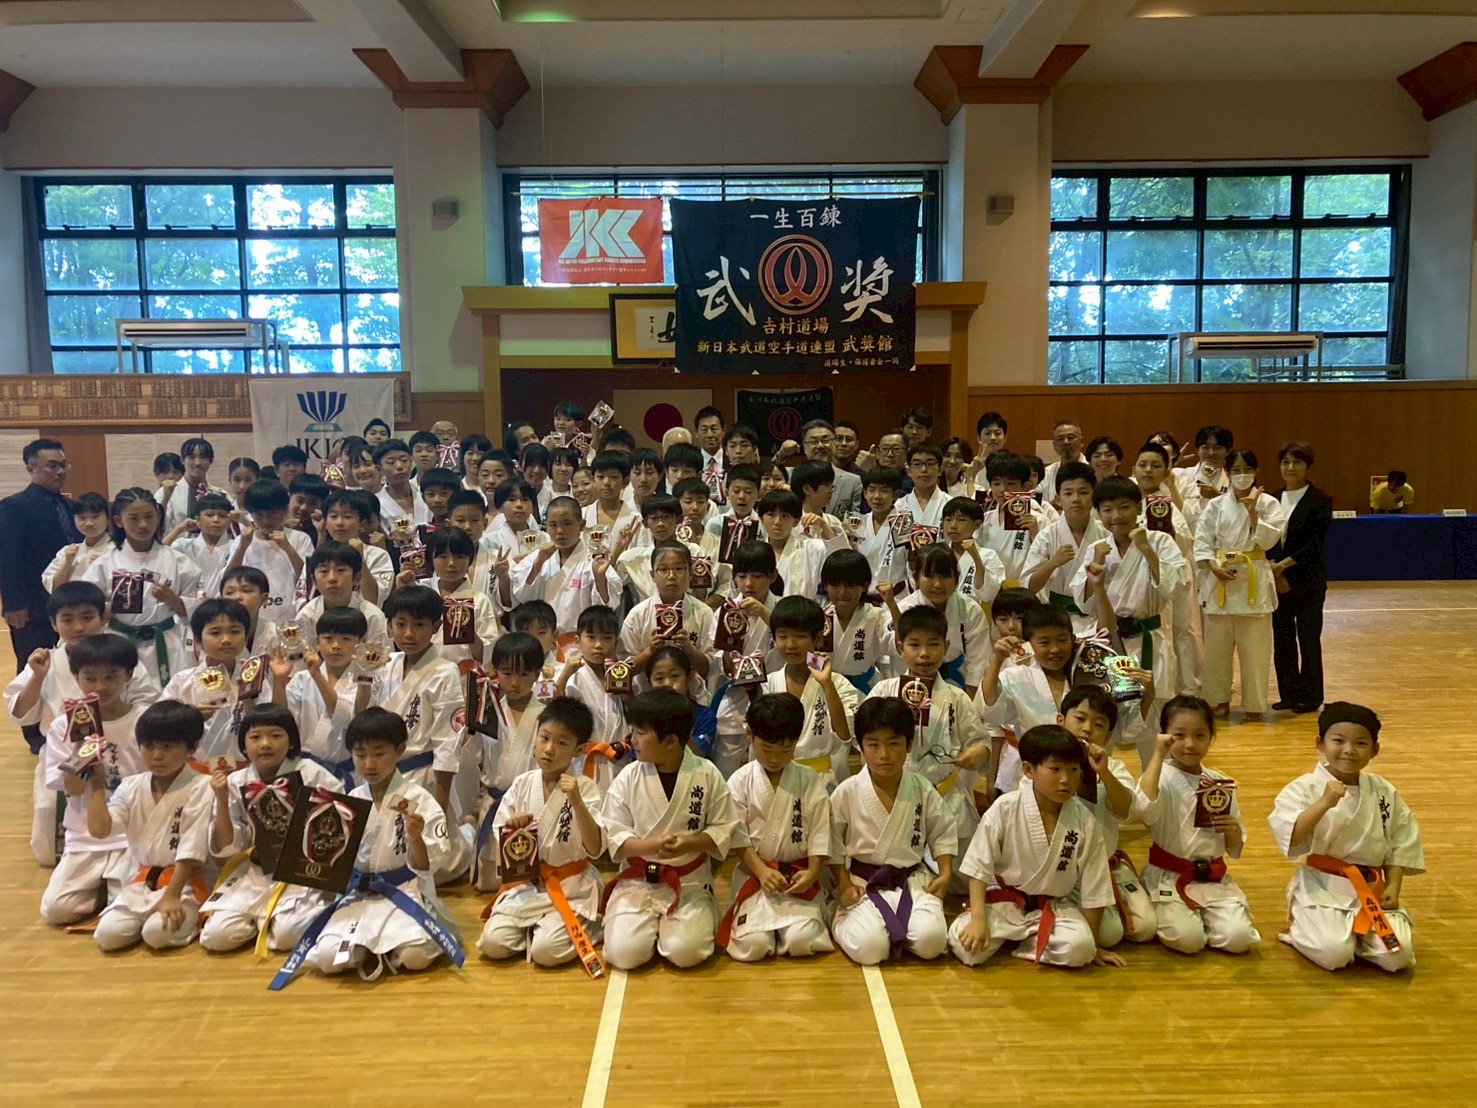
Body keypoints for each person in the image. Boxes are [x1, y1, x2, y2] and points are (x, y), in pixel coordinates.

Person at [278, 707, 462, 986]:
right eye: (360, 754)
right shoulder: (350, 800)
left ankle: (385, 949)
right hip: (361, 893)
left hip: (406, 891)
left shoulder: (420, 799)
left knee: (414, 957)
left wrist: (415, 839)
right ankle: (371, 948)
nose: (369, 764)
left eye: (379, 753)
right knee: (329, 959)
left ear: (400, 750)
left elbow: (429, 865)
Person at [948, 724, 1121, 969]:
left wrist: (1093, 945)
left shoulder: (1084, 821)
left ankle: (1022, 939)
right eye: (1055, 769)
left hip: (1054, 906)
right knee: (964, 946)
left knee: (1081, 949)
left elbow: (1095, 886)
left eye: (1074, 770)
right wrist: (977, 919)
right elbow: (978, 868)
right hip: (1006, 903)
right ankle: (1030, 938)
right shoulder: (1005, 808)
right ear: (1028, 770)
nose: (1066, 779)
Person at [1267, 702, 1421, 973]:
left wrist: (1393, 886)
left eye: (1360, 743)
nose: (1349, 750)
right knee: (1334, 955)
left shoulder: (1383, 790)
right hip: (1324, 886)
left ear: (1374, 749)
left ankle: (1356, 939)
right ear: (1320, 743)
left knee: (1398, 957)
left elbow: (1401, 840)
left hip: (1371, 888)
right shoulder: (1304, 788)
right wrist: (1324, 802)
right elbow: (1292, 838)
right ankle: (1303, 929)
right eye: (1338, 740)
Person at [598, 688, 742, 970]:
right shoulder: (628, 777)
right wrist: (649, 846)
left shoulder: (706, 773)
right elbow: (614, 834)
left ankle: (669, 929)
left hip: (688, 881)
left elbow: (724, 827)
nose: (632, 739)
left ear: (671, 741)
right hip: (638, 880)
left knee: (687, 952)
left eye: (640, 733)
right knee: (622, 954)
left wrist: (690, 844)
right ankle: (648, 929)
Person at [198, 703, 342, 953]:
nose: (265, 744)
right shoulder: (235, 781)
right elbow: (226, 848)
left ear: (291, 741)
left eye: (275, 736)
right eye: (255, 737)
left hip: (304, 871)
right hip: (257, 869)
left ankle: (272, 919)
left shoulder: (314, 776)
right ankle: (262, 918)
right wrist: (221, 799)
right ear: (243, 745)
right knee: (216, 937)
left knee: (286, 936)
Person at [476, 697, 606, 972]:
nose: (549, 749)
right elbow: (502, 840)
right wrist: (514, 828)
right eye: (544, 738)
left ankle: (582, 926)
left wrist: (577, 802)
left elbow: (595, 848)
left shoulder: (585, 788)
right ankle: (537, 929)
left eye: (561, 743)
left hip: (571, 885)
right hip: (528, 884)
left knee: (547, 952)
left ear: (578, 750)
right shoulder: (522, 784)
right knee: (492, 943)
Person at [830, 697, 956, 965]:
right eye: (873, 745)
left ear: (909, 744)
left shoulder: (921, 788)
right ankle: (841, 920)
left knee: (932, 941)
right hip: (863, 882)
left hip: (912, 880)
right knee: (871, 948)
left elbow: (943, 832)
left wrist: (945, 874)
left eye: (893, 743)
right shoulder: (847, 791)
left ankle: (895, 930)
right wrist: (843, 884)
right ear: (860, 746)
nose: (884, 754)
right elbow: (831, 842)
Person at [88, 700, 213, 952]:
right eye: (148, 746)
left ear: (191, 747)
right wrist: (96, 785)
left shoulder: (203, 785)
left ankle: (187, 918)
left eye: (168, 747)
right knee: (107, 936)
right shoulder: (131, 786)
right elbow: (100, 829)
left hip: (186, 883)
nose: (156, 755)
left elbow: (191, 848)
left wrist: (172, 895)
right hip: (144, 882)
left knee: (156, 934)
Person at [1137, 696, 1259, 955]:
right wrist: (1157, 754)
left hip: (1210, 877)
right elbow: (1144, 811)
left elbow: (1234, 849)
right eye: (1179, 735)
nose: (1190, 744)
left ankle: (1208, 922)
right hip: (1169, 874)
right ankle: (1181, 916)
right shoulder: (1159, 776)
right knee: (1188, 940)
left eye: (1200, 735)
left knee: (1238, 939)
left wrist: (1233, 831)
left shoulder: (1219, 783)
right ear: (1165, 736)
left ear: (1211, 738)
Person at [1074, 476, 1185, 761]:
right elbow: (1083, 602)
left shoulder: (1160, 541)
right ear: (1098, 513)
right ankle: (1098, 781)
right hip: (1109, 644)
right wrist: (1097, 565)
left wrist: (1146, 549)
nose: (1117, 516)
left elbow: (1174, 587)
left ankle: (1157, 784)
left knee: (1154, 720)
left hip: (1149, 642)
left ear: (1139, 507)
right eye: (1107, 509)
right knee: (1103, 716)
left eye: (1124, 507)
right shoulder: (1098, 547)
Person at [719, 693, 835, 961]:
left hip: (798, 877)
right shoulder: (739, 781)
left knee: (802, 941)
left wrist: (813, 871)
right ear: (750, 736)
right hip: (755, 876)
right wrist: (761, 871)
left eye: (785, 750)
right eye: (767, 749)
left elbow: (820, 832)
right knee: (753, 946)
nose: (775, 758)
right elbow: (738, 837)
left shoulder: (808, 779)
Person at [39, 635, 146, 925]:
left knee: (127, 909)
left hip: (132, 833)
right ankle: (99, 891)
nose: (100, 686)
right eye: (90, 678)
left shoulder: (144, 721)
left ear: (128, 675)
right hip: (84, 835)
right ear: (76, 678)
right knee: (56, 910)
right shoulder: (62, 727)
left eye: (111, 677)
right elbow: (74, 790)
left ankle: (112, 891)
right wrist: (80, 743)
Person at [868, 606, 988, 854]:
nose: (924, 654)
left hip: (945, 797)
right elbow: (865, 739)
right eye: (914, 645)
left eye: (933, 644)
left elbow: (980, 742)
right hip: (895, 796)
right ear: (900, 648)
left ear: (946, 647)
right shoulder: (884, 691)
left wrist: (977, 753)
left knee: (953, 869)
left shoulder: (956, 697)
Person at [379, 585, 468, 883]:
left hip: (423, 774)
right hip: (384, 772)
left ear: (436, 627)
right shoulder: (387, 665)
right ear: (389, 627)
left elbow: (448, 743)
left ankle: (463, 836)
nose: (409, 634)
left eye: (419, 625)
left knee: (433, 864)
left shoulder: (445, 671)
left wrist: (439, 803)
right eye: (400, 624)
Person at [1055, 685, 1155, 947]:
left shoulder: (1114, 768)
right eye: (1080, 718)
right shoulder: (1047, 766)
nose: (1087, 729)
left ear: (1108, 735)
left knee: (1145, 928)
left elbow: (1124, 810)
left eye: (1098, 724)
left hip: (1106, 863)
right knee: (1108, 934)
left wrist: (1104, 773)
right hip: (1064, 867)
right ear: (1060, 721)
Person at [1193, 449, 1288, 719]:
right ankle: (1217, 699)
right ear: (1228, 472)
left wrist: (1253, 513)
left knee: (1255, 652)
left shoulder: (1269, 503)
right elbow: (1202, 540)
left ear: (1256, 472)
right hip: (1219, 578)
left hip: (1252, 579)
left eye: (1247, 469)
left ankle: (1254, 705)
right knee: (1216, 651)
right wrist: (1213, 566)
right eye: (1235, 469)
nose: (1241, 474)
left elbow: (1270, 542)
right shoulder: (1215, 505)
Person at [0, 439, 81, 747]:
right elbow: (7, 558)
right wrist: (13, 604)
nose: (60, 471)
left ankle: (65, 721)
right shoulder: (15, 506)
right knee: (33, 662)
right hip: (31, 605)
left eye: (64, 465)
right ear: (31, 469)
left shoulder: (70, 507)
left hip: (67, 604)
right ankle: (34, 734)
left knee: (64, 662)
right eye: (52, 466)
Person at [83, 488, 199, 688]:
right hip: (119, 643)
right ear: (119, 521)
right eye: (134, 518)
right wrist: (103, 610)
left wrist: (174, 601)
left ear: (158, 517)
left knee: (169, 695)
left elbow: (197, 612)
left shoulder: (180, 562)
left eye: (149, 516)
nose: (143, 524)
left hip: (167, 642)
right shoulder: (103, 565)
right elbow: (85, 605)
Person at [976, 602, 1076, 799]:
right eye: (1044, 643)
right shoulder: (1016, 677)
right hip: (1033, 776)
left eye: (1062, 640)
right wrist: (997, 660)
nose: (1055, 649)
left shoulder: (1086, 674)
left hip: (1080, 774)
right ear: (1028, 644)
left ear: (1072, 640)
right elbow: (990, 710)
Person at [760, 597, 859, 788]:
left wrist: (827, 684)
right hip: (777, 777)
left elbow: (845, 735)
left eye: (800, 636)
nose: (790, 644)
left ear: (818, 638)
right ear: (773, 638)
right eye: (782, 636)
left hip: (821, 780)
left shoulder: (838, 683)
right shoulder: (768, 684)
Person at [162, 597, 274, 765]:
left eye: (234, 631)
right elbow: (158, 726)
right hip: (198, 771)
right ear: (198, 641)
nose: (226, 640)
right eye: (215, 633)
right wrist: (190, 718)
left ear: (245, 638)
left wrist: (250, 700)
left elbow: (270, 724)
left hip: (247, 769)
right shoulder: (182, 681)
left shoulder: (254, 678)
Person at [1269, 442, 1333, 714]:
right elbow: (1266, 539)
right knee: (1282, 638)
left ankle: (1311, 696)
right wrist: (1275, 573)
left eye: (1297, 462)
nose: (1290, 467)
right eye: (1286, 462)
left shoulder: (1320, 500)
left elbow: (1314, 543)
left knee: (1308, 637)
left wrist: (1283, 566)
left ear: (1308, 467)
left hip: (1308, 579)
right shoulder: (1271, 499)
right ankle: (1289, 694)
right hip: (1277, 580)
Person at [280, 605, 380, 775]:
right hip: (303, 770)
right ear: (317, 643)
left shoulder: (366, 680)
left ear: (361, 644)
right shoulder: (302, 679)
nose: (336, 646)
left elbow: (347, 717)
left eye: (346, 639)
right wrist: (278, 681)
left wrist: (317, 675)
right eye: (328, 638)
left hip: (349, 773)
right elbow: (281, 719)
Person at [511, 496, 619, 635]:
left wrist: (600, 578)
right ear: (546, 526)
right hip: (544, 639)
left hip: (580, 639)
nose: (560, 531)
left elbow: (607, 608)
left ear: (582, 525)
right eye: (553, 525)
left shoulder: (594, 560)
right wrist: (538, 564)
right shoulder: (539, 556)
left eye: (567, 524)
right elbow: (522, 596)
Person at [1024, 461, 1107, 637]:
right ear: (1058, 499)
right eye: (1068, 493)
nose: (1076, 499)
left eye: (1083, 492)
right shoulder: (1047, 536)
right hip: (1057, 620)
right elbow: (1028, 586)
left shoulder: (1106, 534)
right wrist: (1052, 564)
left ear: (1094, 496)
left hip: (1099, 618)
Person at [555, 605, 631, 792]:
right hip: (585, 759)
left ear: (616, 642)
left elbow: (633, 714)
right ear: (578, 641)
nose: (598, 645)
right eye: (591, 637)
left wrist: (627, 693)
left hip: (619, 757)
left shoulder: (621, 674)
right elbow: (558, 713)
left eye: (606, 638)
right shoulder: (572, 676)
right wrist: (564, 676)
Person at [44, 492, 113, 592]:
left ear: (108, 517)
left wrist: (103, 568)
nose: (89, 523)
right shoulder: (67, 552)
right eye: (82, 518)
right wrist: (67, 564)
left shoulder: (118, 551)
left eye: (95, 516)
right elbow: (55, 589)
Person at [855, 466, 909, 594]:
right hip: (863, 596)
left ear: (896, 495)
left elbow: (912, 565)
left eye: (884, 491)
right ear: (865, 493)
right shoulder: (858, 523)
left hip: (896, 597)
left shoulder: (903, 524)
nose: (877, 496)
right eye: (872, 490)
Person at [373, 439, 431, 536]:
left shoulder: (426, 494)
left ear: (411, 462)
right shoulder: (376, 503)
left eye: (404, 460)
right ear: (379, 469)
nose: (399, 466)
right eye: (391, 462)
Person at [899, 443, 949, 527]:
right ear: (909, 471)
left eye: (930, 464)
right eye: (917, 464)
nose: (923, 470)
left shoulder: (950, 503)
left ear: (940, 470)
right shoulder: (899, 505)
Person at [1038, 420, 1085, 503]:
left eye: (1071, 437)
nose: (1066, 442)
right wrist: (1050, 507)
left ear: (1081, 442)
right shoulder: (1046, 474)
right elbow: (1037, 505)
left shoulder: (1094, 470)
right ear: (1054, 445)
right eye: (1060, 439)